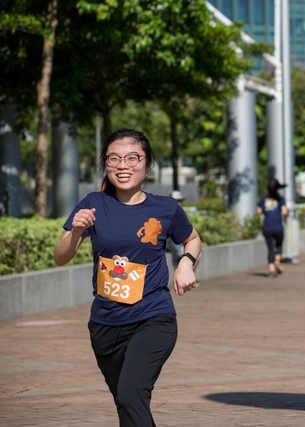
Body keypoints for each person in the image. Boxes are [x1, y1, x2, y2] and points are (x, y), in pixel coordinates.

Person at [54, 128, 202, 426]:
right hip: (105, 324)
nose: (123, 165)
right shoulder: (93, 203)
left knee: (130, 395)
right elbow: (60, 257)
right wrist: (77, 231)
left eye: (132, 158)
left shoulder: (165, 208)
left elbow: (193, 239)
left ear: (147, 164)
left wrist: (186, 264)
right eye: (114, 158)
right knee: (129, 404)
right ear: (106, 164)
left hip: (153, 317)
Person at [257, 178, 288, 278]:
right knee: (279, 246)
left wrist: (266, 210)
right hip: (278, 227)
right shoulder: (280, 199)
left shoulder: (264, 198)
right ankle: (277, 261)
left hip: (267, 227)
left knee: (270, 249)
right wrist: (286, 219)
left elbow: (258, 211)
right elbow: (284, 212)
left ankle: (271, 270)